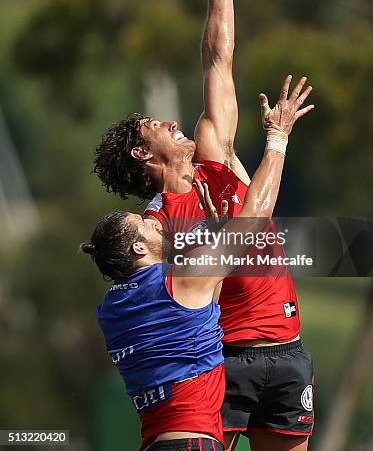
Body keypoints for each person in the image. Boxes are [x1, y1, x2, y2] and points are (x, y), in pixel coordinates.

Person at [93, 0, 314, 451]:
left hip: (288, 347)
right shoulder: (159, 224)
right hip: (224, 358)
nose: (173, 122)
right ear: (142, 156)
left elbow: (219, 60)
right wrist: (277, 143)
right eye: (156, 126)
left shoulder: (217, 154)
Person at [82, 81, 312, 451]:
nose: (151, 222)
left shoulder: (111, 309)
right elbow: (254, 219)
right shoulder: (178, 270)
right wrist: (277, 136)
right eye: (143, 224)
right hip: (201, 421)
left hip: (167, 434)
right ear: (140, 247)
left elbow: (204, 298)